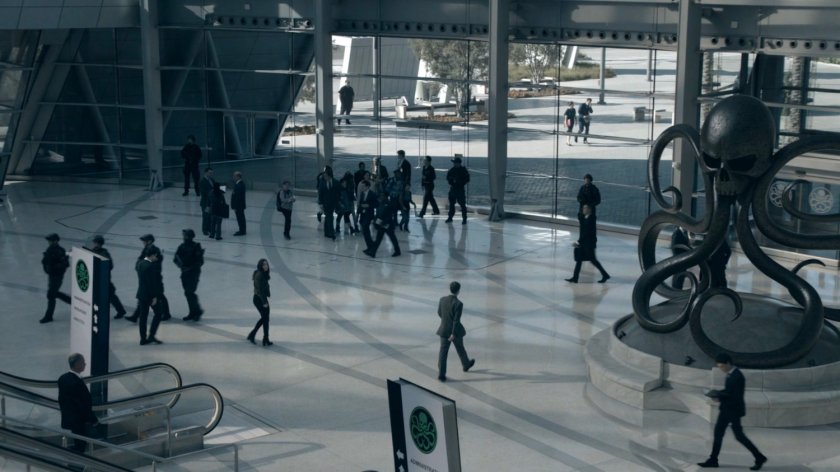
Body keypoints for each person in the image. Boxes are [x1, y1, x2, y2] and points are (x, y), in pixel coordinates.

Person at [698, 353, 767, 470]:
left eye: (722, 366)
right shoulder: (731, 374)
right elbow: (728, 391)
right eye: (719, 367)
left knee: (739, 436)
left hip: (733, 411)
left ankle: (759, 457)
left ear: (728, 363)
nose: (721, 369)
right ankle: (713, 460)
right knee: (718, 434)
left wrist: (718, 396)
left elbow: (734, 396)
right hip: (726, 409)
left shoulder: (737, 376)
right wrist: (718, 394)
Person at [58, 353, 99, 453]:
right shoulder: (76, 383)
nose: (85, 364)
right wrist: (93, 419)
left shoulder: (62, 378)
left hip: (69, 419)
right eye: (83, 362)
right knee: (81, 445)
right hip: (79, 421)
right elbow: (82, 404)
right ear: (77, 364)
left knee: (78, 443)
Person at [436, 281, 475, 382]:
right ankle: (466, 365)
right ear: (458, 291)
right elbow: (456, 320)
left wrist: (446, 322)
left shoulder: (442, 299)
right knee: (460, 348)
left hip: (443, 330)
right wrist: (453, 333)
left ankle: (441, 374)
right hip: (455, 332)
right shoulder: (458, 304)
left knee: (443, 352)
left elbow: (439, 313)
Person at [126, 234, 171, 323]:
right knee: (146, 297)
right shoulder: (147, 249)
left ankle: (166, 314)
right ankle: (135, 316)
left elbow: (155, 263)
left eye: (144, 240)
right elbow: (140, 260)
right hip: (148, 275)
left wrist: (144, 265)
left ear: (149, 241)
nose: (143, 242)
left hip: (154, 277)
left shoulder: (154, 250)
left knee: (159, 295)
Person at [565, 204, 610, 283]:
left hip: (589, 244)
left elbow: (587, 232)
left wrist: (578, 241)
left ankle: (605, 275)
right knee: (579, 260)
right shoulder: (584, 218)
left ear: (589, 210)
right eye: (583, 208)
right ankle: (575, 278)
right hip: (584, 242)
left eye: (585, 208)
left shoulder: (591, 219)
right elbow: (580, 219)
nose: (583, 210)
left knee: (593, 260)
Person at [88, 235, 127, 319]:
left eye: (96, 242)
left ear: (99, 243)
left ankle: (120, 311)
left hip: (103, 279)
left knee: (111, 296)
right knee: (107, 295)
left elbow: (109, 266)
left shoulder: (104, 253)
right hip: (97, 278)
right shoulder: (94, 251)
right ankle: (120, 310)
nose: (95, 244)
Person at [40, 233, 71, 323]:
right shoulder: (50, 249)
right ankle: (72, 302)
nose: (49, 242)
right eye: (49, 240)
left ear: (55, 241)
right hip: (51, 276)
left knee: (51, 295)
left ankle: (48, 316)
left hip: (57, 276)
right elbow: (46, 261)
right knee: (53, 294)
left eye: (50, 240)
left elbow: (65, 264)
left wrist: (55, 267)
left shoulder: (60, 251)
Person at [174, 229, 204, 321]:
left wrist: (190, 268)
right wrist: (181, 265)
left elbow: (200, 262)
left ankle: (197, 311)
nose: (184, 237)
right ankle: (193, 312)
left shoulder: (196, 246)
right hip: (184, 272)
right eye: (184, 235)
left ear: (190, 236)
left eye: (185, 235)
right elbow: (175, 258)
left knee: (190, 292)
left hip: (193, 273)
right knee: (187, 293)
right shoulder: (182, 246)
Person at [135, 250, 163, 345]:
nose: (157, 258)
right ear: (153, 255)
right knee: (158, 313)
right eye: (156, 256)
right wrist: (154, 297)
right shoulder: (150, 266)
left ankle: (143, 338)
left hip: (141, 294)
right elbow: (152, 283)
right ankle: (151, 335)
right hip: (149, 295)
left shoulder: (140, 263)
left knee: (143, 317)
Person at [364, 193, 401, 258]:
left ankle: (397, 251)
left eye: (382, 196)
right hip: (382, 224)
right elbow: (378, 214)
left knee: (392, 238)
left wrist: (383, 222)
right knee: (379, 239)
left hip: (387, 225)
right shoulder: (381, 204)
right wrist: (376, 221)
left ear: (385, 197)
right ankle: (373, 252)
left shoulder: (389, 204)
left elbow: (389, 216)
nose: (380, 197)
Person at [248, 259, 273, 346]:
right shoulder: (260, 275)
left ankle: (265, 338)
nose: (266, 266)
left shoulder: (263, 273)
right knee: (265, 318)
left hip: (262, 298)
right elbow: (259, 291)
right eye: (263, 265)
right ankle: (253, 335)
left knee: (265, 319)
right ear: (260, 266)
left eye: (266, 264)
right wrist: (264, 302)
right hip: (259, 299)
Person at [318, 167, 341, 240]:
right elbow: (320, 194)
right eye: (324, 175)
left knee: (328, 217)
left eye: (326, 175)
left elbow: (338, 193)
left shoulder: (336, 182)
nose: (324, 177)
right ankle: (332, 233)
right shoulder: (322, 183)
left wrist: (338, 203)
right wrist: (320, 203)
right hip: (325, 203)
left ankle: (326, 232)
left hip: (333, 203)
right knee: (330, 217)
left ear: (329, 175)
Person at [446, 157, 470, 224]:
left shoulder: (463, 170)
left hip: (460, 189)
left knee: (462, 205)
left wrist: (459, 182)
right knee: (451, 204)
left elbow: (467, 179)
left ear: (458, 163)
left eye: (455, 162)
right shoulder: (452, 170)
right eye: (454, 162)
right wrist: (452, 181)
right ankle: (450, 217)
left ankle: (464, 219)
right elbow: (448, 178)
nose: (454, 164)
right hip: (453, 189)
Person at [357, 180, 378, 249]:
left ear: (368, 186)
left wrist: (369, 205)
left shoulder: (372, 194)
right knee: (365, 230)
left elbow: (376, 204)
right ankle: (370, 245)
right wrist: (359, 212)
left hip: (369, 214)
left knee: (365, 228)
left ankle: (370, 245)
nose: (362, 188)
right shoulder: (362, 194)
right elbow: (360, 203)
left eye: (363, 186)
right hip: (363, 214)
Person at [199, 167, 215, 236]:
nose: (211, 174)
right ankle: (204, 229)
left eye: (212, 173)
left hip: (211, 202)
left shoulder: (212, 180)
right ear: (206, 173)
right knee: (205, 216)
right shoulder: (202, 181)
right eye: (210, 173)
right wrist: (212, 192)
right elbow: (203, 192)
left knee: (210, 216)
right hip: (205, 203)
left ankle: (209, 228)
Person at [231, 171, 246, 236]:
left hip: (239, 206)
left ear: (238, 177)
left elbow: (238, 197)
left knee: (240, 218)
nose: (233, 177)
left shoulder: (239, 185)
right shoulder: (238, 184)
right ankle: (242, 229)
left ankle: (242, 231)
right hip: (239, 205)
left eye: (234, 176)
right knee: (240, 218)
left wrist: (235, 206)